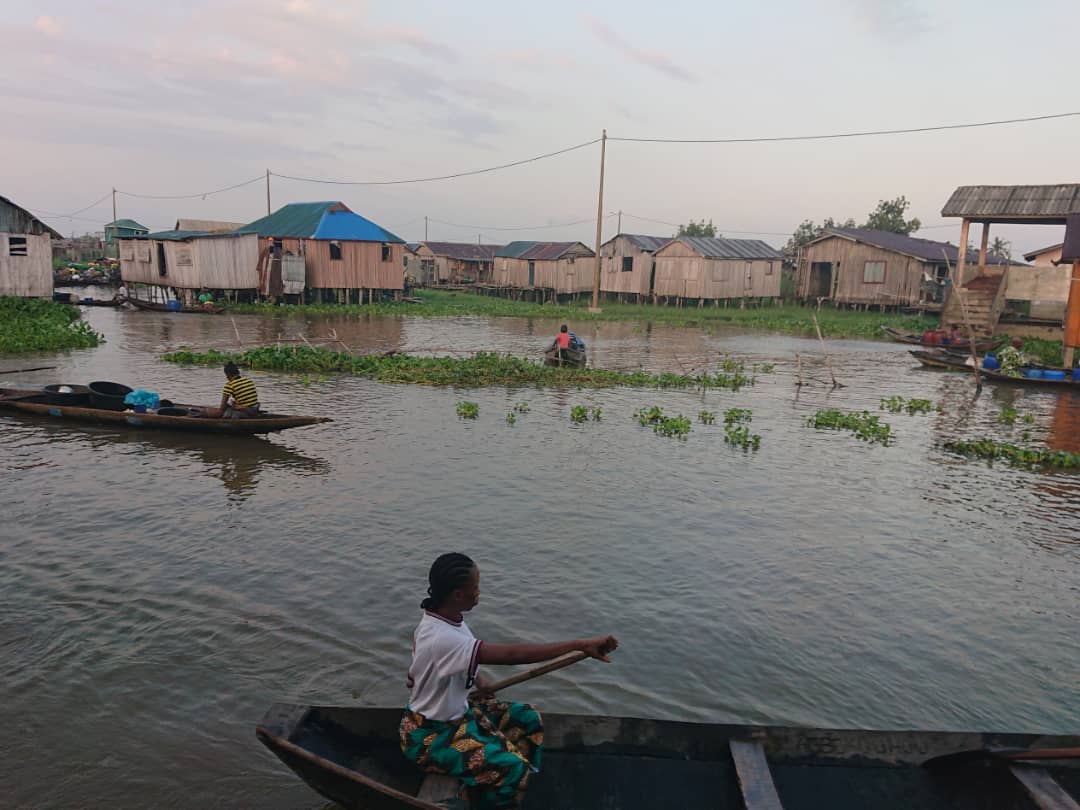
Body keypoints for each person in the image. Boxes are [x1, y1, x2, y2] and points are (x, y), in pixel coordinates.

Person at [401, 553, 617, 809]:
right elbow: (515, 655)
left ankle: (510, 783)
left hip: (461, 716)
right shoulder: (441, 636)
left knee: (527, 718)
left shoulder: (447, 620)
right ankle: (497, 794)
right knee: (512, 769)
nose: (479, 592)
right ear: (457, 594)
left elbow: (451, 663)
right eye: (475, 587)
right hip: (431, 736)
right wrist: (579, 645)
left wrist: (479, 681)